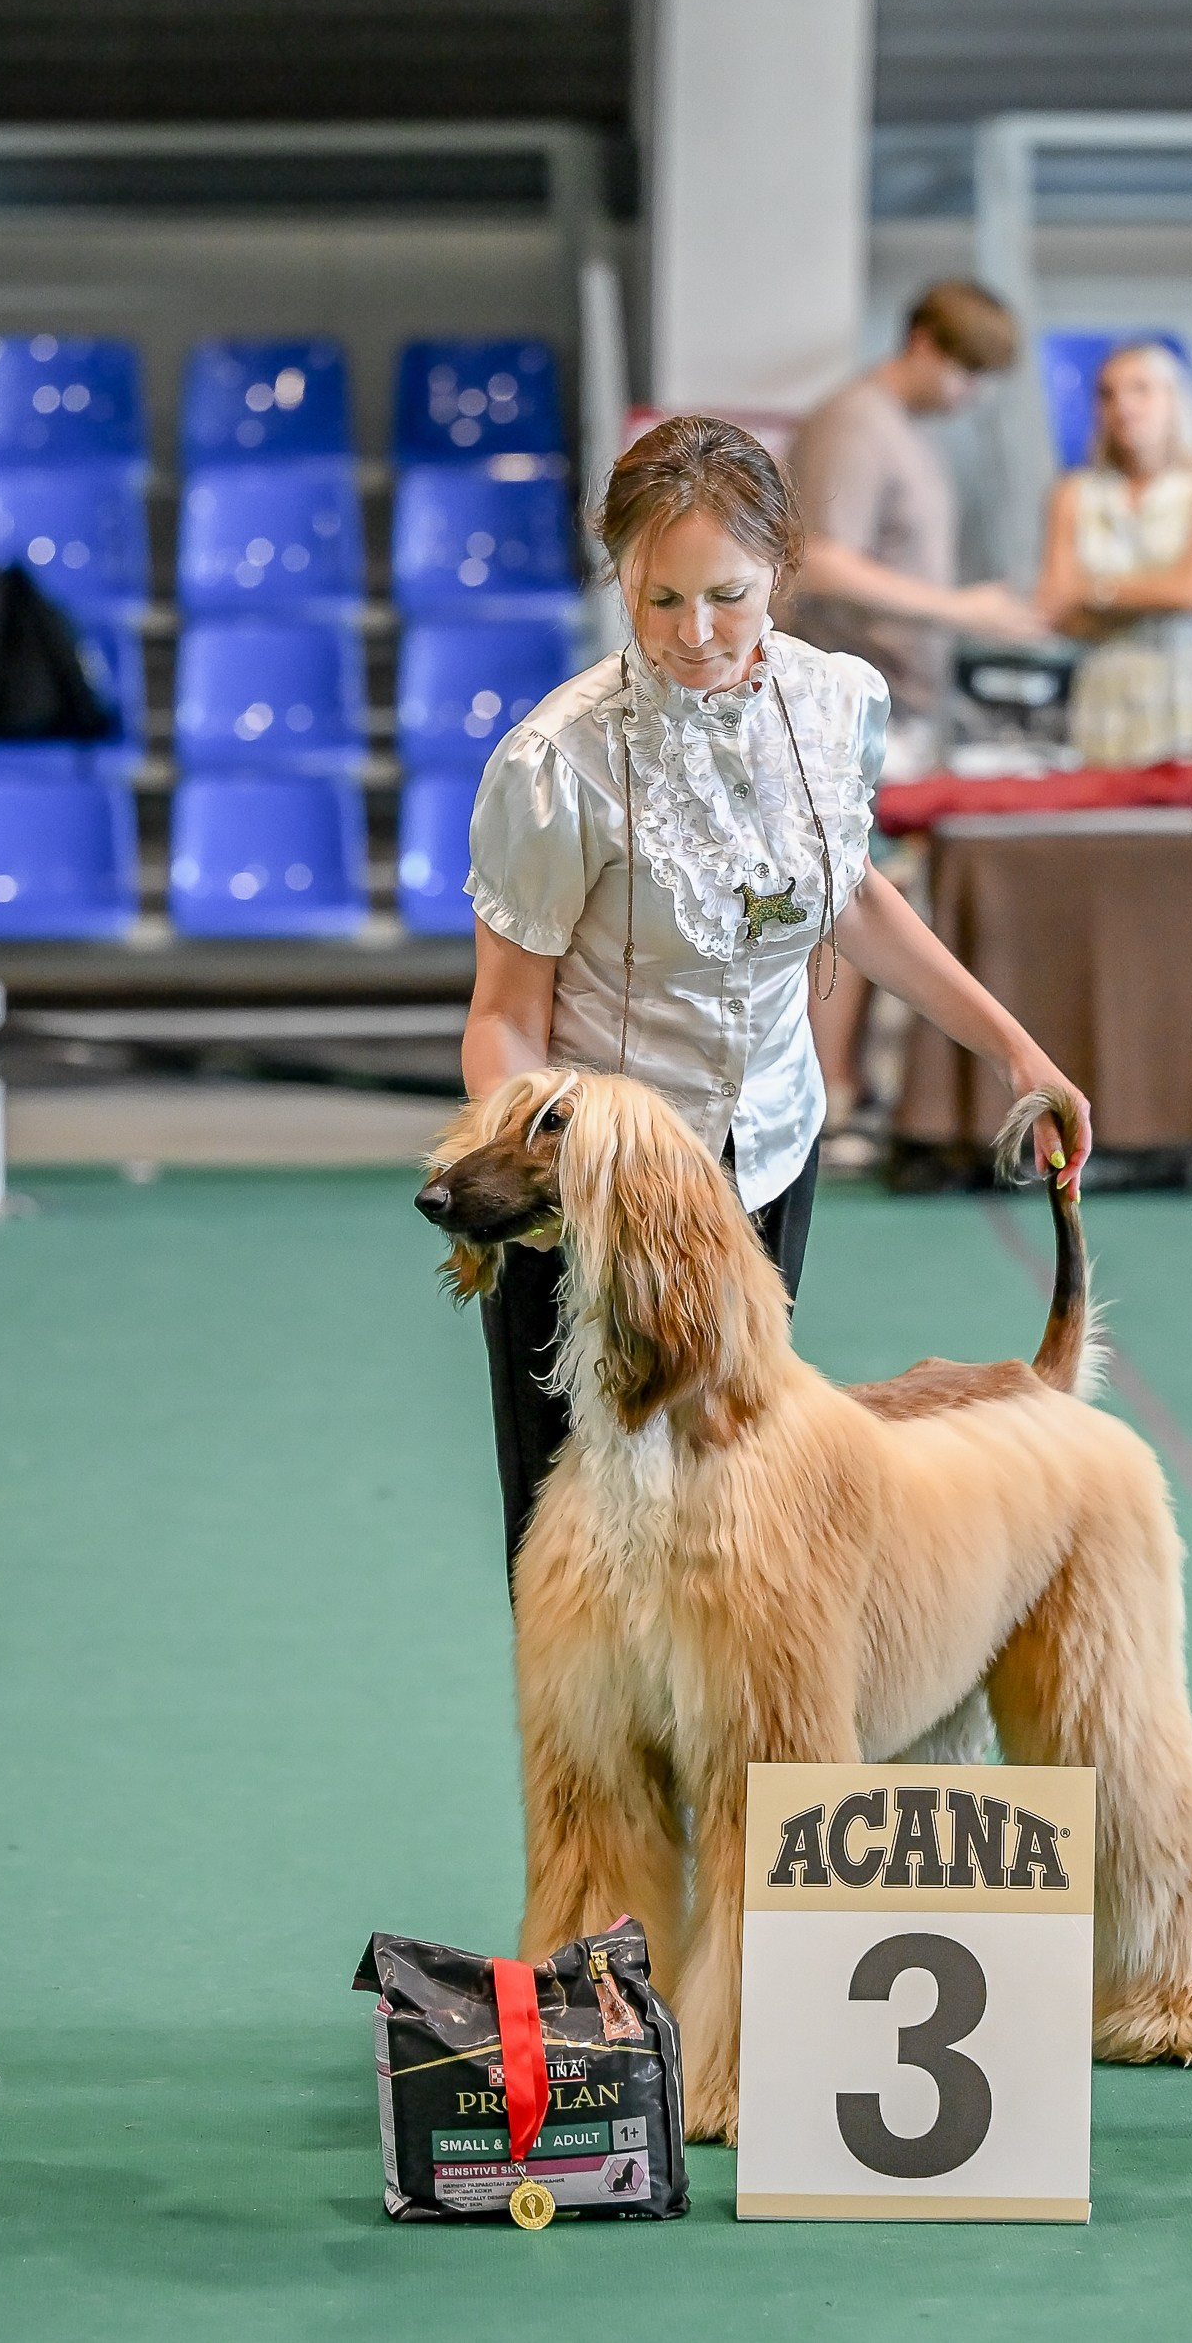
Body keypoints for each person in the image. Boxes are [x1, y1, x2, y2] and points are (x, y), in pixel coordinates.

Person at [458, 413, 1092, 1578]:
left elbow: (849, 903)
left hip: (766, 1157)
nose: (694, 635)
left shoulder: (836, 703)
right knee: (575, 1538)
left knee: (731, 1501)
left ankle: (733, 1760)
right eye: (659, 601)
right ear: (620, 581)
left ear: (782, 575)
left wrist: (1015, 1049)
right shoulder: (554, 761)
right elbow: (504, 1012)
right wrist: (540, 1173)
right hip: (602, 1193)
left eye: (728, 597)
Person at [788, 279, 1047, 1133]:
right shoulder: (856, 424)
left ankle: (845, 1083)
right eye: (966, 373)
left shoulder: (904, 434)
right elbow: (822, 562)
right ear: (926, 344)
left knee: (873, 896)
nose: (970, 396)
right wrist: (962, 610)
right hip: (844, 707)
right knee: (844, 909)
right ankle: (832, 1093)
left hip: (895, 708)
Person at [1035, 342, 1192, 767]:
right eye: (1107, 394)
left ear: (1175, 399)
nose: (1123, 405)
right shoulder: (1073, 493)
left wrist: (1097, 590)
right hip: (1109, 696)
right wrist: (1165, 590)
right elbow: (1055, 606)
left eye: (1140, 389)